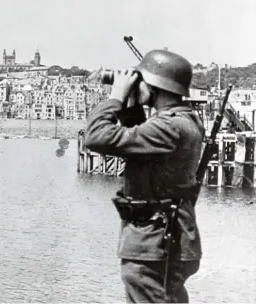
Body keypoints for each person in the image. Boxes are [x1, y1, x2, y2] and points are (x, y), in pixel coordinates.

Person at [84, 49, 204, 303]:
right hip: (166, 238)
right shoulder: (184, 120)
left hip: (155, 242)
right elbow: (140, 149)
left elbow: (96, 137)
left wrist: (116, 97)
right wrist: (132, 109)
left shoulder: (168, 126)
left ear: (155, 86)